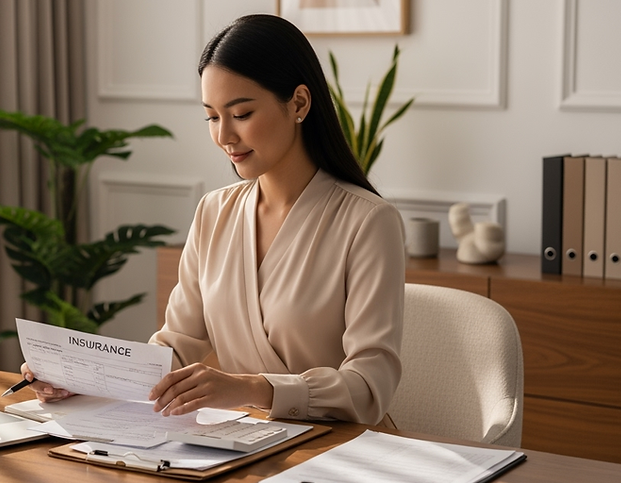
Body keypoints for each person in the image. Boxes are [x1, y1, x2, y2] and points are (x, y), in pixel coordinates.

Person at [21, 13, 405, 426]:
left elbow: (370, 386)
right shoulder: (214, 212)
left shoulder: (369, 222)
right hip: (247, 442)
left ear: (298, 103)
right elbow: (176, 346)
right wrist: (84, 378)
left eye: (241, 114)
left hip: (341, 447)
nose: (224, 137)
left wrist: (251, 389)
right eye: (212, 117)